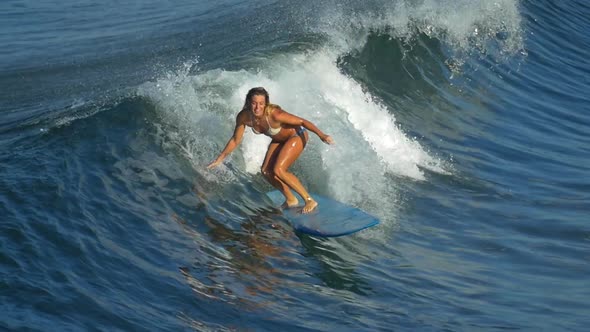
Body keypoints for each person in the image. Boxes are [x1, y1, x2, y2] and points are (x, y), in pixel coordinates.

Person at [207, 87, 334, 213]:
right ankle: (291, 199)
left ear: (266, 104)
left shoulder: (275, 114)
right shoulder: (244, 116)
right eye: (254, 103)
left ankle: (309, 200)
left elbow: (302, 121)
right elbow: (235, 140)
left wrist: (322, 135)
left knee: (279, 170)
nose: (257, 107)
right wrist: (220, 159)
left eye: (261, 104)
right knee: (266, 171)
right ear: (248, 102)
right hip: (278, 139)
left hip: (296, 135)